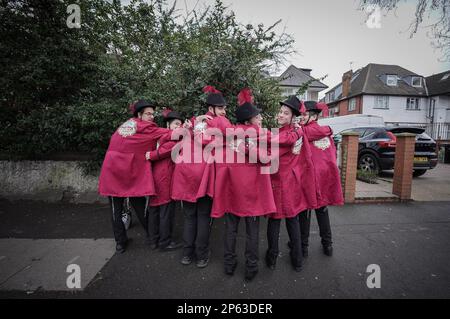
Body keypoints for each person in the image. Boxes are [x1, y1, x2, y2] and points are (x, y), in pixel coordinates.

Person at [211, 88, 276, 282]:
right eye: (257, 118)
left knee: (231, 230)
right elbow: (265, 159)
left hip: (231, 191)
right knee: (252, 232)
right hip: (251, 194)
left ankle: (229, 265)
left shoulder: (229, 135)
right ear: (248, 121)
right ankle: (251, 268)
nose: (261, 120)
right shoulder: (255, 136)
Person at [98, 99, 170, 254]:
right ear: (139, 114)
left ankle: (120, 243)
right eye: (148, 114)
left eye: (153, 113)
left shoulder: (126, 125)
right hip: (127, 172)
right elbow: (170, 133)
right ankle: (152, 236)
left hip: (111, 170)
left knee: (115, 210)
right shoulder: (147, 127)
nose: (152, 117)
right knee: (139, 204)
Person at [172, 85, 232, 268]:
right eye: (221, 108)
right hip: (204, 176)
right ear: (211, 109)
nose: (224, 111)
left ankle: (187, 254)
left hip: (186, 174)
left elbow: (179, 134)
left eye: (224, 108)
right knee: (203, 216)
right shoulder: (220, 122)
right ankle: (202, 255)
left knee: (190, 217)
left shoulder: (195, 122)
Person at [265, 96, 315, 272]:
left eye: (285, 113)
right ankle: (297, 260)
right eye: (280, 112)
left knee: (275, 220)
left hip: (280, 182)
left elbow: (271, 153)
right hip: (293, 182)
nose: (280, 115)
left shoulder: (287, 134)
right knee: (292, 220)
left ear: (293, 117)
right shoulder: (297, 132)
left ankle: (272, 258)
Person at [298, 101, 344, 257]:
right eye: (301, 114)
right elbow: (332, 156)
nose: (301, 117)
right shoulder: (326, 133)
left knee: (305, 213)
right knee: (322, 212)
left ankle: (303, 247)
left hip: (310, 179)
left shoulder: (304, 132)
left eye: (304, 114)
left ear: (314, 116)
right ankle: (327, 244)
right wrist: (329, 129)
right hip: (325, 179)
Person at [146, 109, 185, 251]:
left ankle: (153, 240)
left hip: (155, 175)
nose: (178, 127)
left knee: (155, 210)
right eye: (176, 124)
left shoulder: (161, 135)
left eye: (180, 124)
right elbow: (164, 151)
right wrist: (151, 155)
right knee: (165, 211)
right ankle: (164, 242)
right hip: (165, 177)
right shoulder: (174, 139)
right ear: (168, 125)